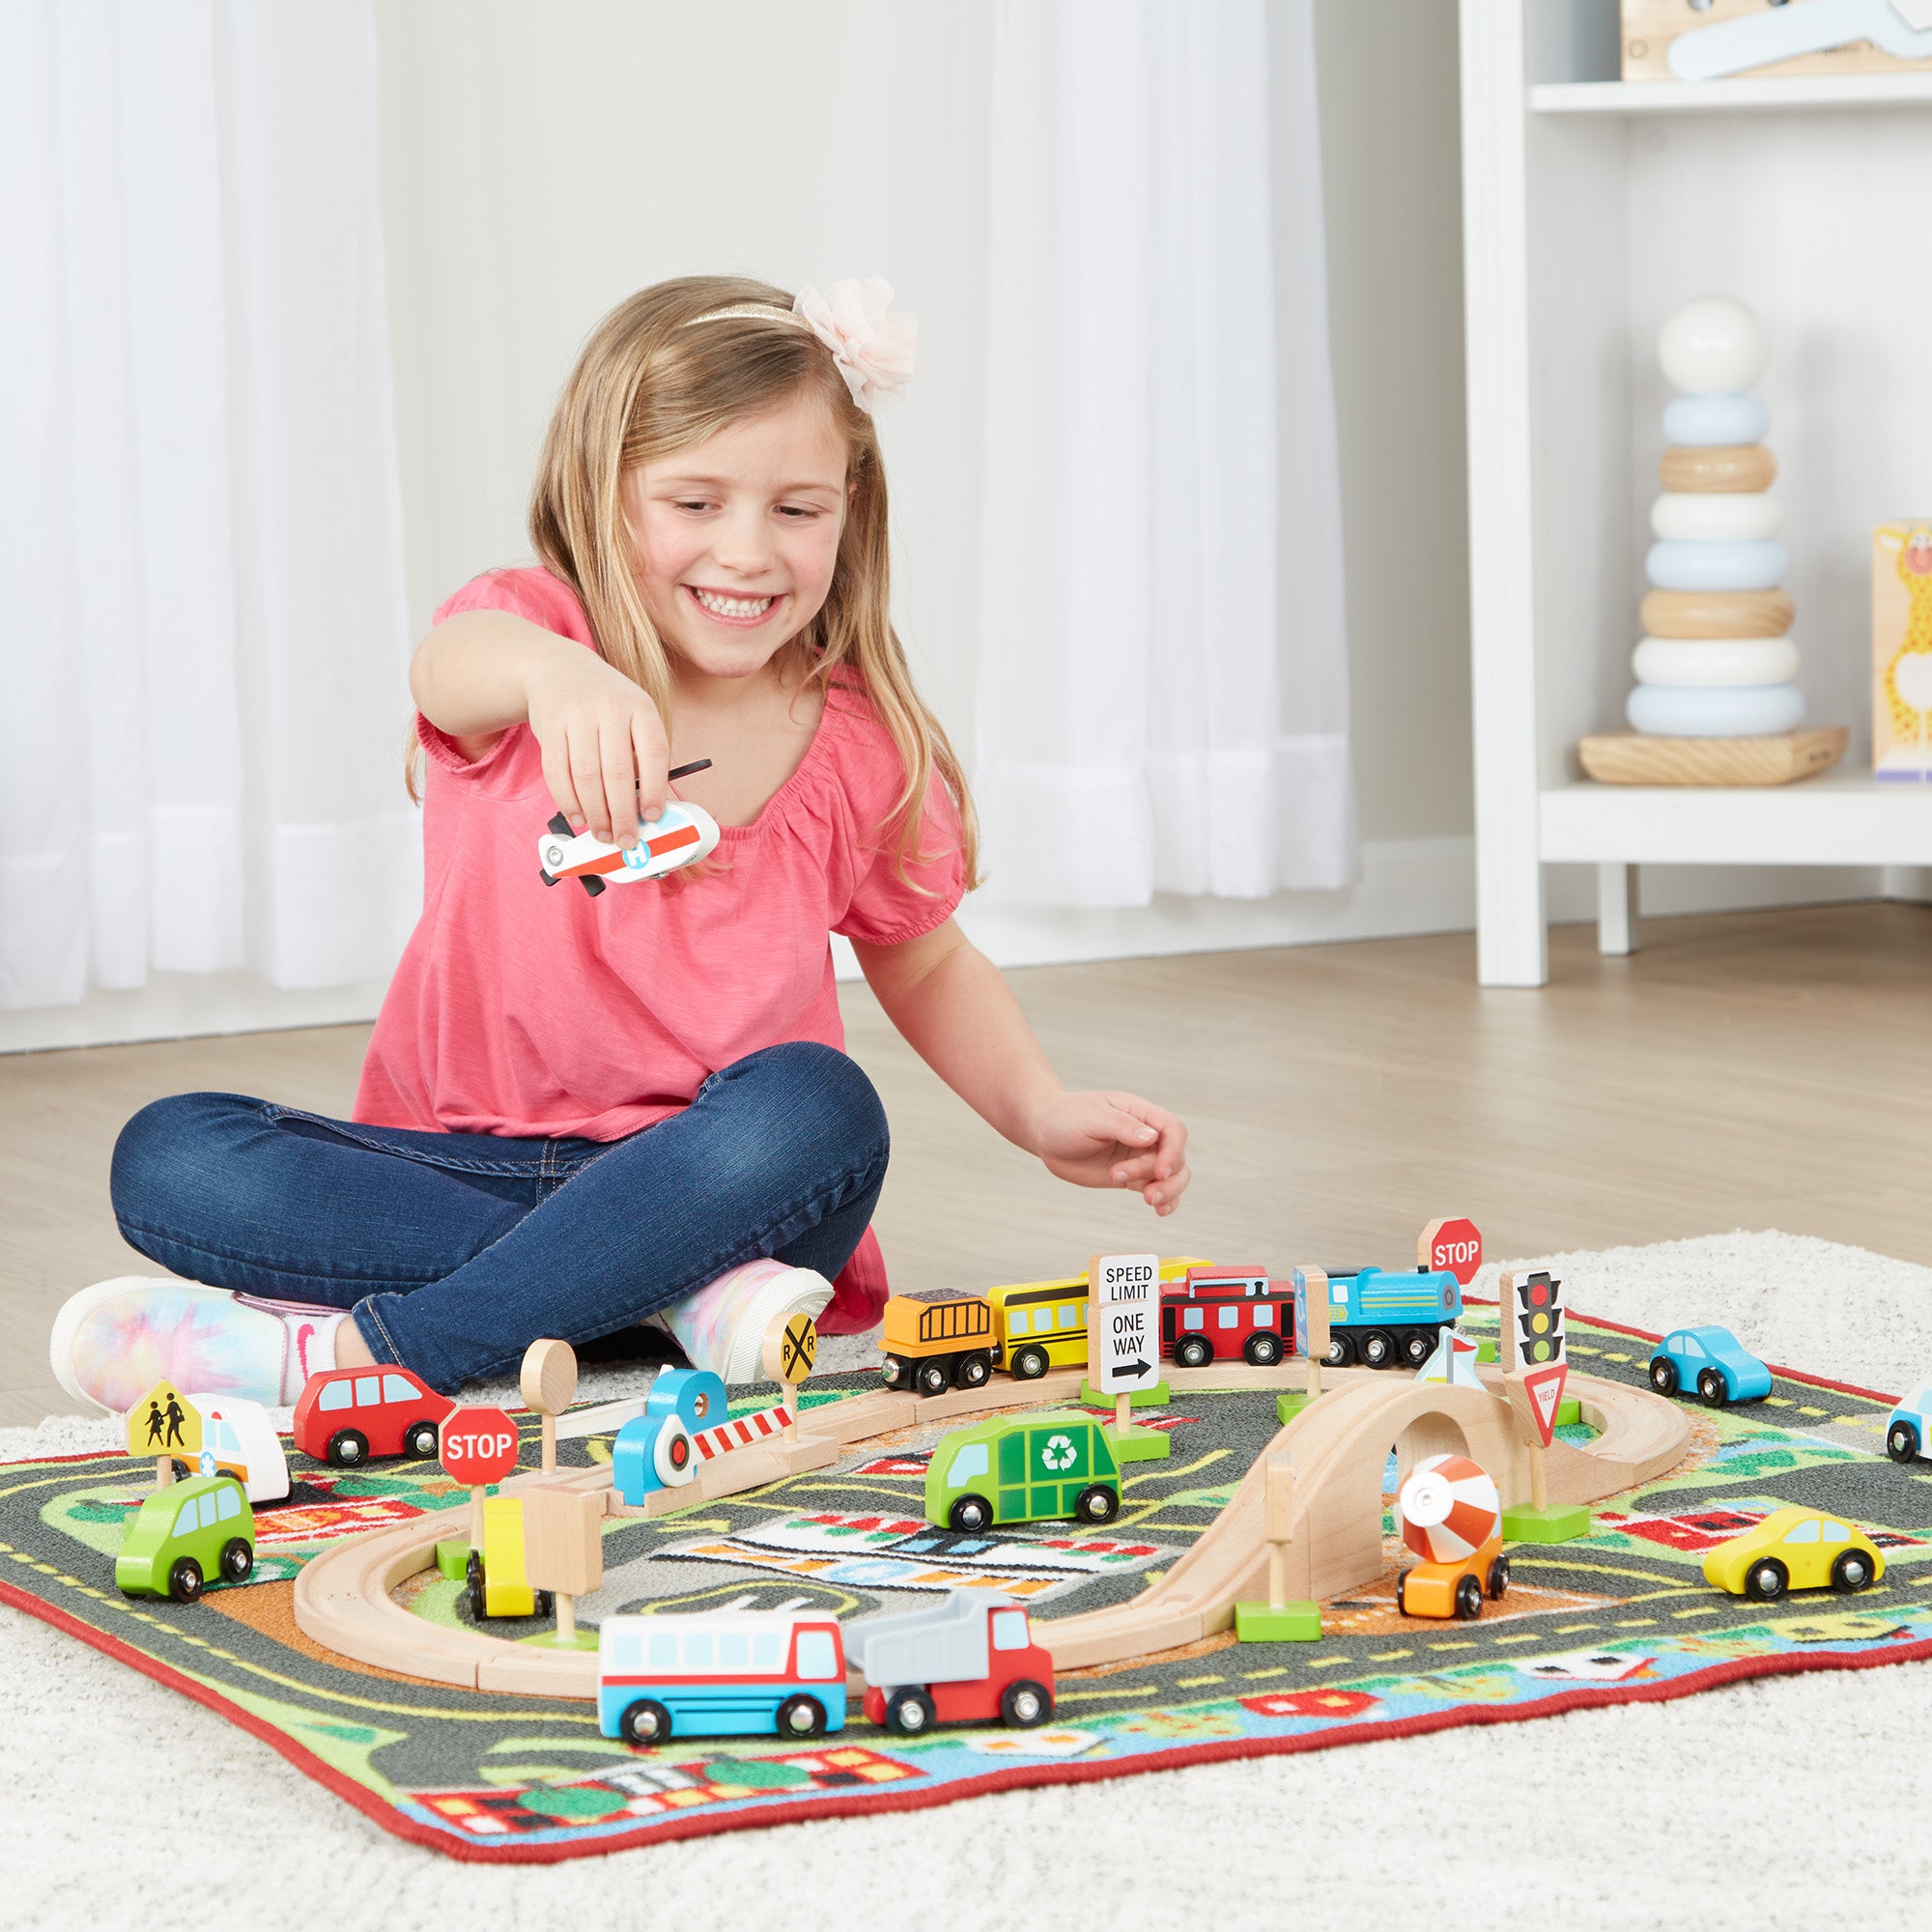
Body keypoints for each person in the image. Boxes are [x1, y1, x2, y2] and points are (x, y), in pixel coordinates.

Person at [49, 274, 1190, 1414]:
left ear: (850, 509)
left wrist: (1038, 1109)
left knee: (822, 1105)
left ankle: (372, 1351)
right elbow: (445, 669)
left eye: (796, 511)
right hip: (455, 1164)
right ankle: (654, 1300)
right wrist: (556, 675)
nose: (746, 551)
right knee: (172, 1152)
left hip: (721, 1181)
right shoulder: (527, 640)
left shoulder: (858, 739)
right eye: (694, 502)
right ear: (603, 491)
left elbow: (926, 958)